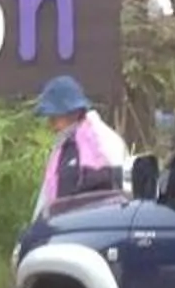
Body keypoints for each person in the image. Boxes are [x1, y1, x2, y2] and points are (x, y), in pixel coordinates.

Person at [33, 74, 132, 217]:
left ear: (73, 112)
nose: (51, 124)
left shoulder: (105, 141)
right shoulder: (62, 147)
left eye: (54, 117)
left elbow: (125, 194)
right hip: (63, 226)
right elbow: (46, 197)